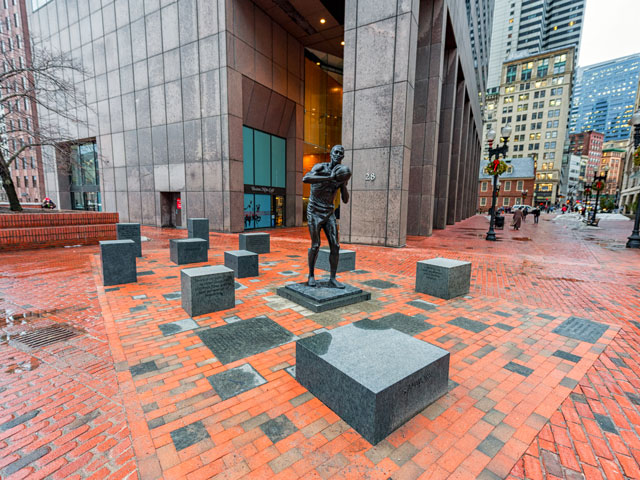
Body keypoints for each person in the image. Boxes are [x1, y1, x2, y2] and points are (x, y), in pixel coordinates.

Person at [303, 145, 352, 289]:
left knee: (335, 246)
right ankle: (311, 275)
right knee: (316, 244)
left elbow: (345, 200)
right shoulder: (320, 168)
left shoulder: (342, 173)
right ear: (331, 154)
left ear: (342, 157)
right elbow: (305, 178)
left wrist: (343, 185)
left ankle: (332, 278)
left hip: (329, 212)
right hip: (315, 211)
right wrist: (329, 177)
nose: (338, 155)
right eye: (336, 152)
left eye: (341, 153)